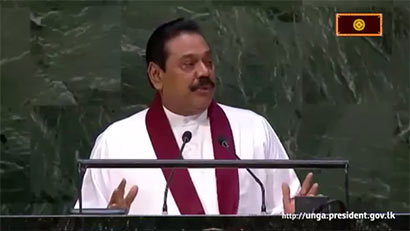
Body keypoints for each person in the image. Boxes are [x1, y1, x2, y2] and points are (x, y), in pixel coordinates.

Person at [77, 18, 318, 215]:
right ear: (156, 75)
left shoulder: (253, 129)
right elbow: (85, 220)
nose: (204, 72)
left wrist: (295, 220)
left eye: (208, 62)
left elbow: (285, 208)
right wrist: (106, 224)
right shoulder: (117, 142)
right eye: (189, 64)